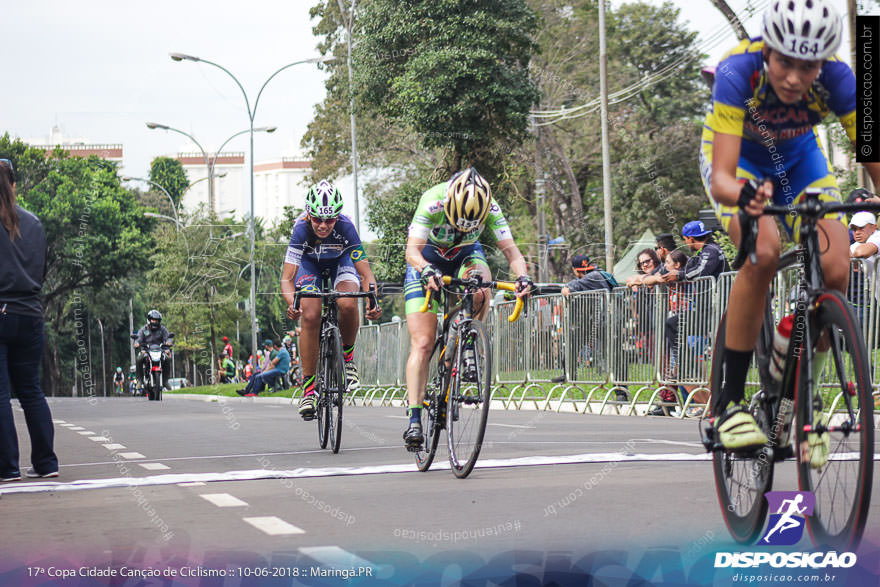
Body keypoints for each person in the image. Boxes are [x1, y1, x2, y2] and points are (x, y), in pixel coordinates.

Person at [700, 0, 880, 449]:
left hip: (799, 161)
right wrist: (744, 196)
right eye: (785, 61)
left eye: (809, 65)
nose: (796, 77)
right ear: (768, 50)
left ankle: (805, 395)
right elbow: (722, 177)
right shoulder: (737, 69)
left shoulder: (842, 79)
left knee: (836, 267)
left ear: (825, 60)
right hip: (738, 163)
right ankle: (729, 404)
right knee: (761, 251)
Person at [402, 167, 531, 450]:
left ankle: (467, 341)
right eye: (458, 221)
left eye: (469, 225)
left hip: (466, 255)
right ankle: (414, 419)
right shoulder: (432, 200)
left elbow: (512, 251)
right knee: (423, 342)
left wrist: (522, 277)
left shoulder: (491, 207)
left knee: (483, 288)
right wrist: (425, 270)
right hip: (427, 259)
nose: (462, 228)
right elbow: (411, 250)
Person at [281, 180, 382, 418]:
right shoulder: (300, 230)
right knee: (311, 314)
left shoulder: (346, 227)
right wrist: (292, 303)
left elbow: (366, 274)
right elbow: (287, 279)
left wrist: (373, 301)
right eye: (317, 219)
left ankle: (347, 360)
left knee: (347, 301)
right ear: (308, 215)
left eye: (330, 219)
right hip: (309, 266)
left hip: (341, 263)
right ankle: (308, 390)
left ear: (338, 216)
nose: (324, 225)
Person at [0, 157, 59, 480]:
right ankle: (47, 463)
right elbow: (42, 271)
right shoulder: (34, 224)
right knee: (31, 391)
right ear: (14, 185)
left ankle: (8, 467)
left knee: (1, 394)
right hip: (31, 314)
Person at [133, 310, 173, 387]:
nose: (155, 322)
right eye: (153, 320)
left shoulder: (162, 329)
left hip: (160, 350)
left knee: (167, 359)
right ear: (149, 320)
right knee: (139, 359)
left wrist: (169, 342)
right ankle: (140, 380)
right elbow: (138, 338)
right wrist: (137, 343)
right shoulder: (143, 329)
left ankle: (165, 381)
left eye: (157, 320)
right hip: (146, 350)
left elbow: (168, 337)